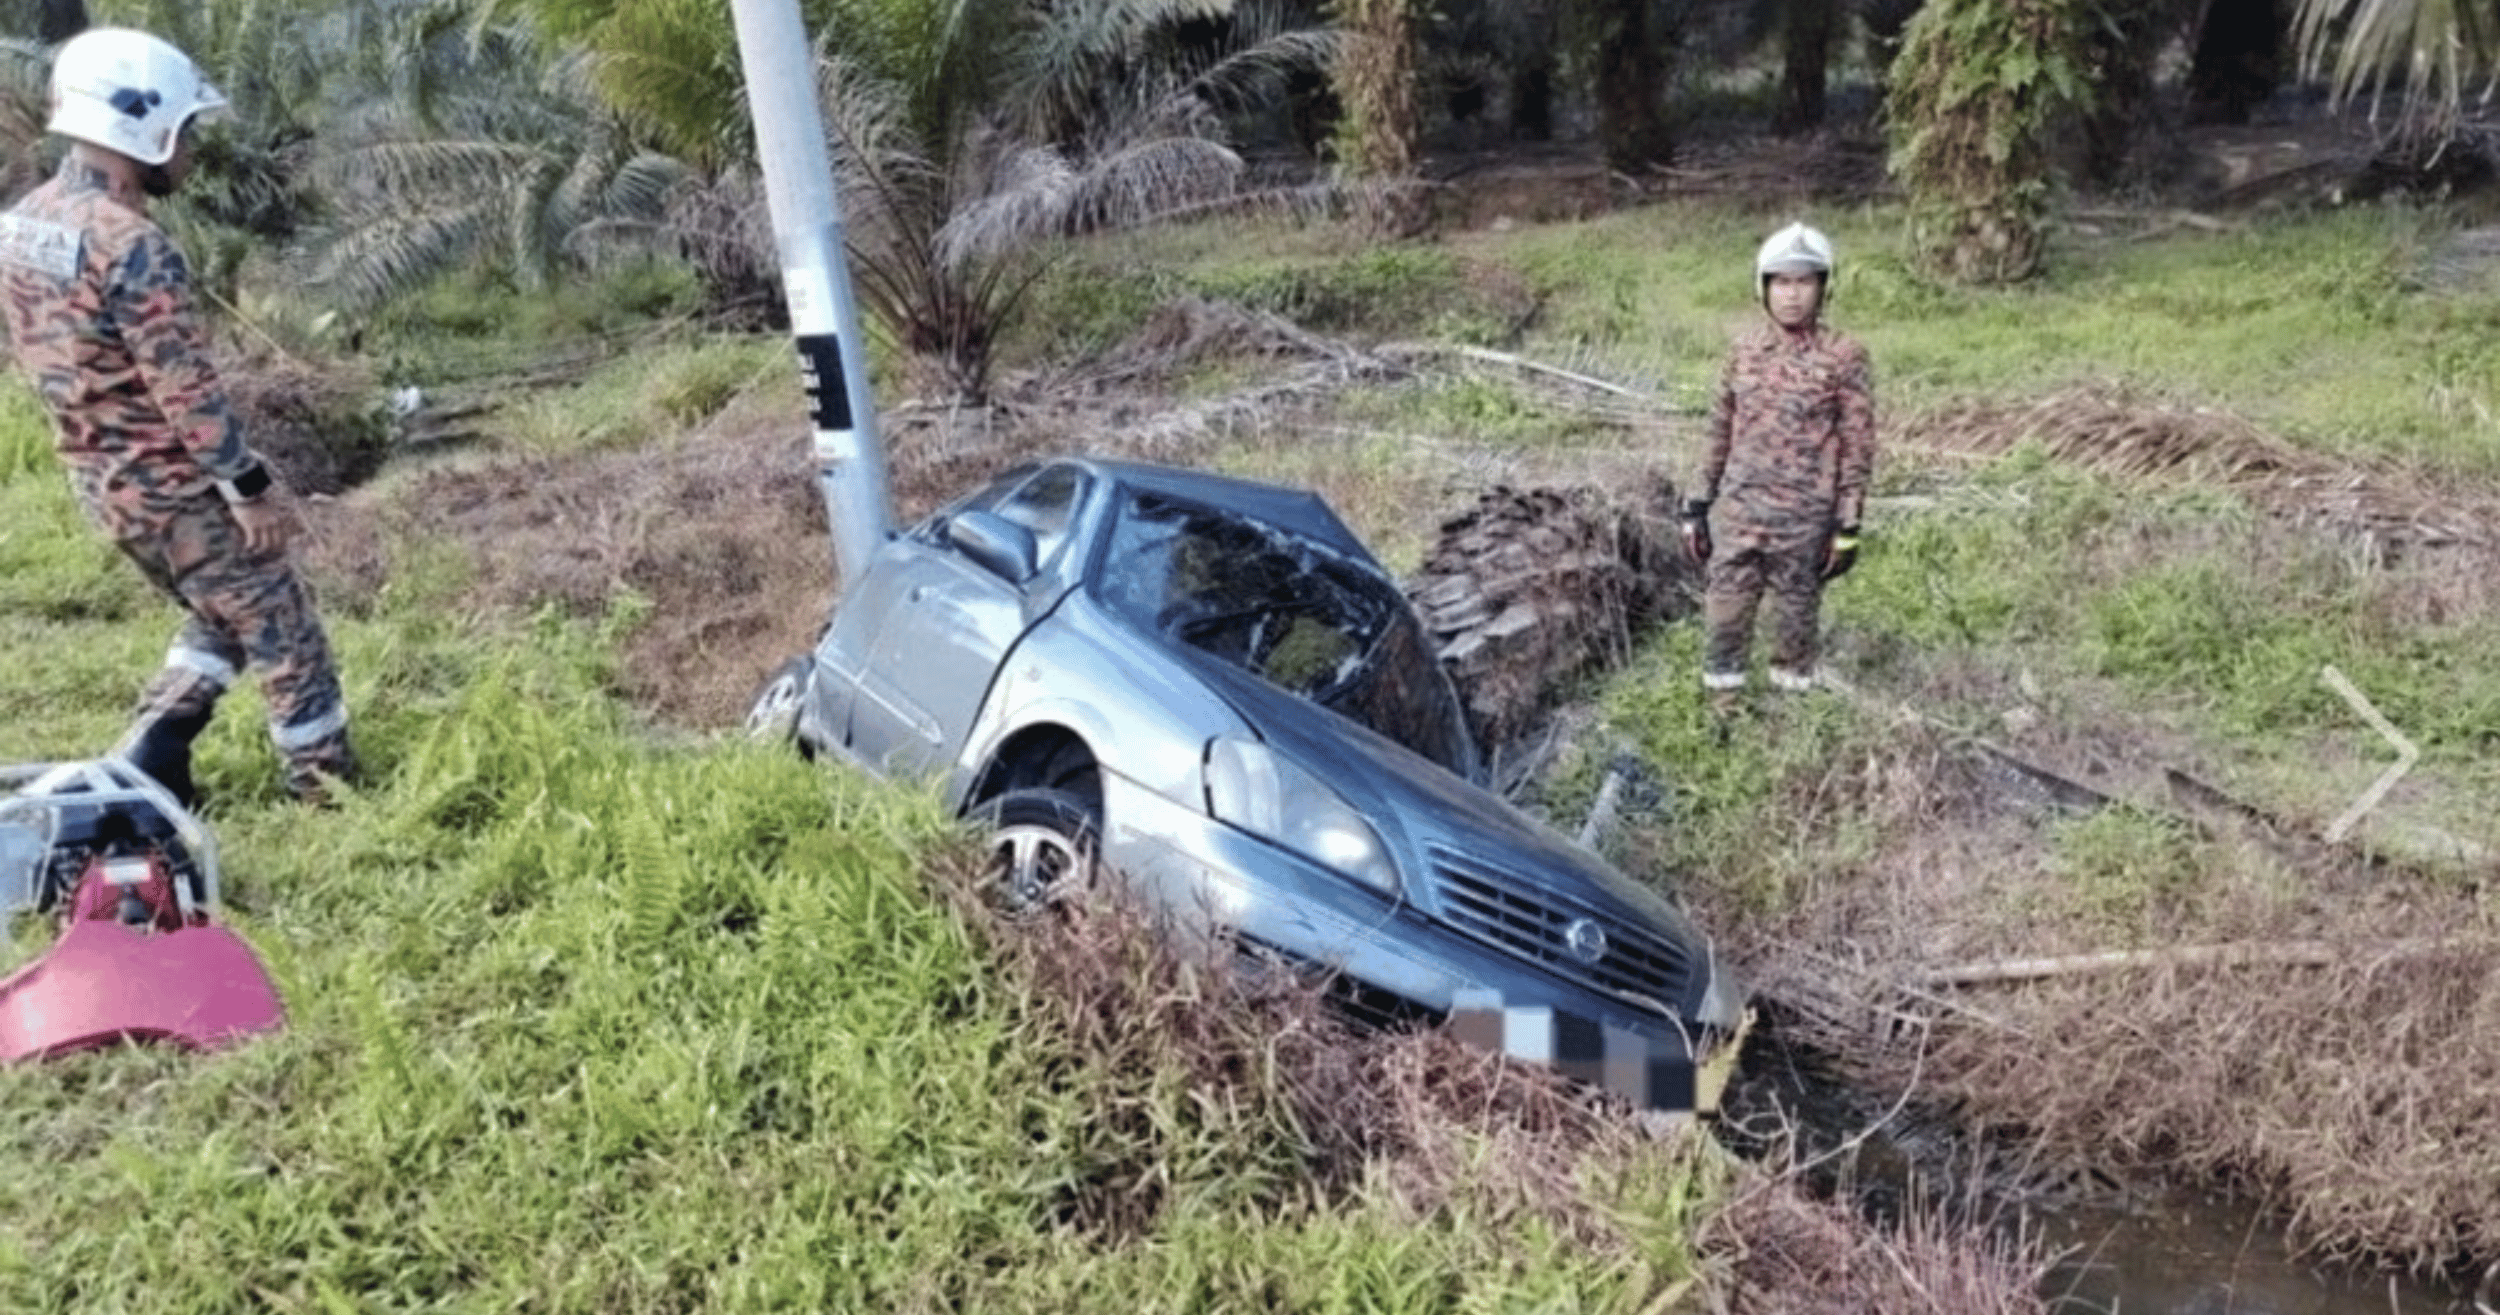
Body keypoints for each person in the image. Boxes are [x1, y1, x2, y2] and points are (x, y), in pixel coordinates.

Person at [0, 27, 354, 806]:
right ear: (141, 125)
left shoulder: (26, 221)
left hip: (101, 484)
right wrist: (248, 486)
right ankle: (328, 790)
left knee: (217, 609)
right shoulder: (131, 245)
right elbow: (186, 390)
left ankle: (154, 751)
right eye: (185, 131)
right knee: (283, 626)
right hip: (173, 490)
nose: (190, 151)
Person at [1678, 221, 1875, 705]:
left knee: (1795, 621)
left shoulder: (1844, 356)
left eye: (1804, 282)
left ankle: (1790, 718)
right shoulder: (1744, 352)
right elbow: (1719, 429)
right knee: (1725, 615)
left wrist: (1848, 524)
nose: (1792, 295)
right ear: (1764, 288)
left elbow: (1857, 444)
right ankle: (1723, 711)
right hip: (1741, 513)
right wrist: (1696, 504)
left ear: (1823, 288)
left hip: (1803, 521)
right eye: (1781, 282)